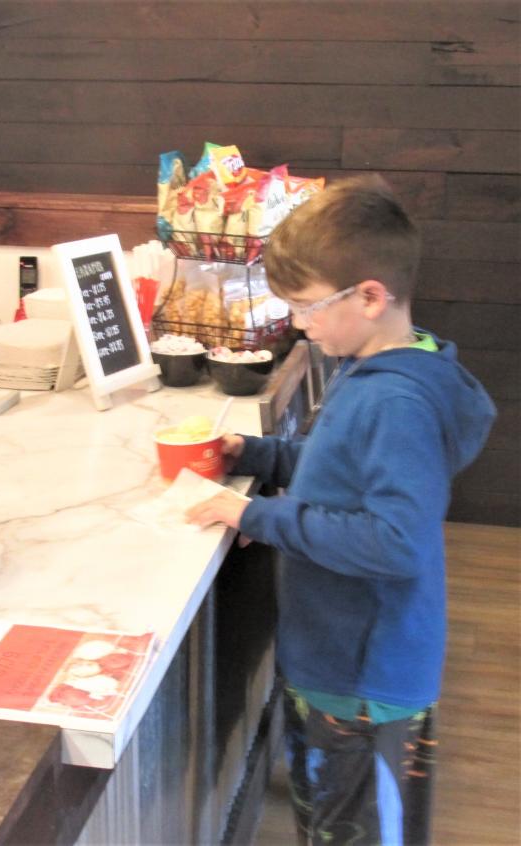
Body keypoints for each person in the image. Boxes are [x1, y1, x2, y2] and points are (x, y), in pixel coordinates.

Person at [186, 175, 495, 845]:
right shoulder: (377, 363)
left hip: (362, 677)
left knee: (355, 829)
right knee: (332, 821)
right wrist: (260, 456)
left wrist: (256, 519)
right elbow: (341, 472)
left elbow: (393, 541)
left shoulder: (397, 402)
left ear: (371, 296)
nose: (300, 323)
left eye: (307, 307)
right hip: (340, 657)